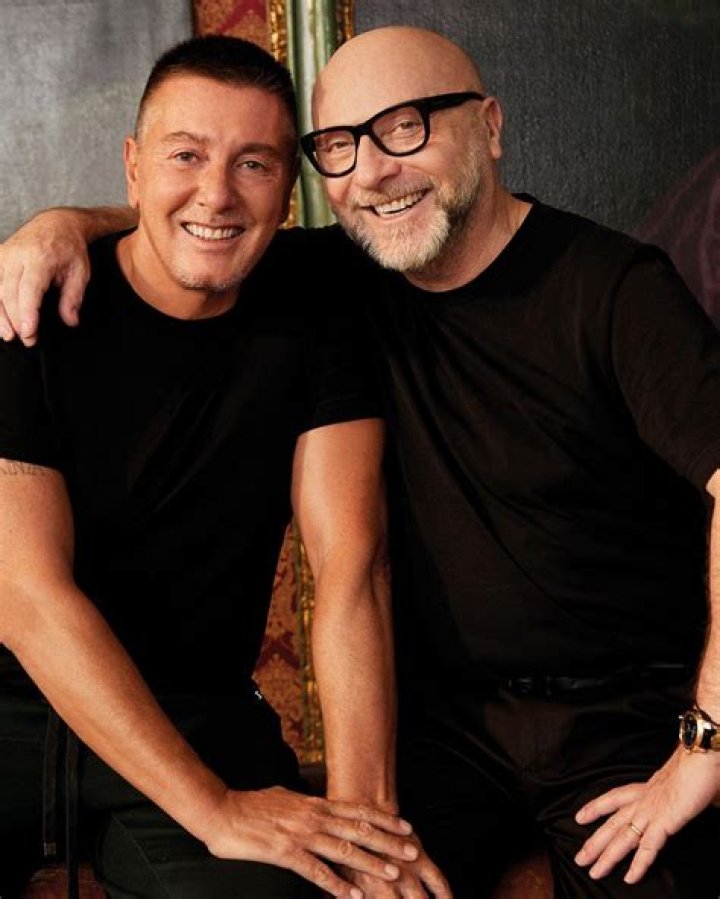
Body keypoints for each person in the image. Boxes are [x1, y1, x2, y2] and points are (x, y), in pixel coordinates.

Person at [2, 23, 720, 898]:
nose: (375, 170)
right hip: (433, 729)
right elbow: (201, 223)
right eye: (342, 145)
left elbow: (354, 564)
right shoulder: (322, 277)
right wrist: (58, 226)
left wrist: (707, 741)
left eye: (407, 126)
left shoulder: (596, 288)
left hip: (616, 716)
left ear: (490, 126)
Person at [0, 34, 450, 899]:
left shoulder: (316, 305)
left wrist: (368, 819)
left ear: (288, 189)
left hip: (196, 710)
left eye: (254, 164)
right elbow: (27, 597)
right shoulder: (30, 303)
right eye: (185, 155)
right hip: (11, 710)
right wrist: (213, 809)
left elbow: (351, 566)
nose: (217, 192)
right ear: (132, 168)